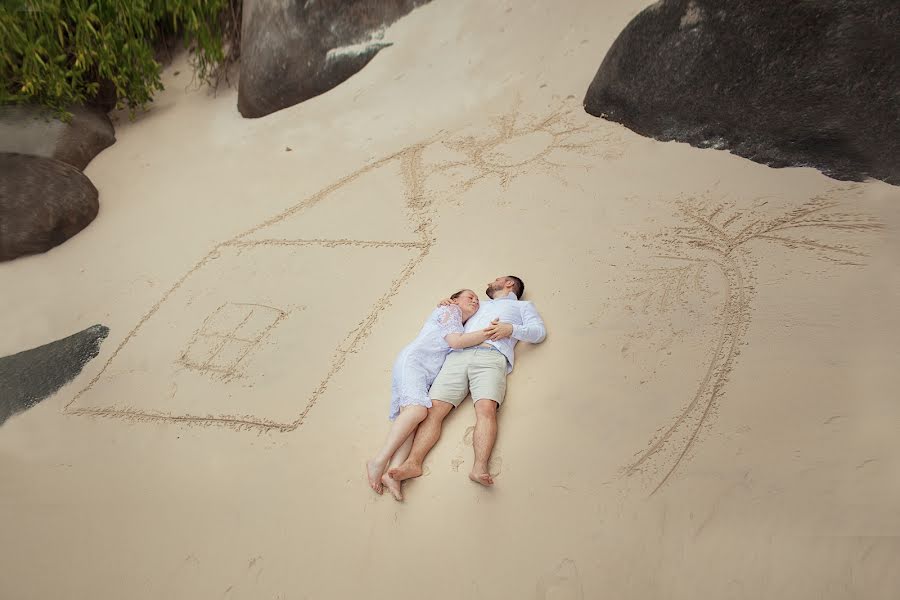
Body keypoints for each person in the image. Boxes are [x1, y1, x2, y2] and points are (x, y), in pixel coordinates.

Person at [389, 275, 546, 487]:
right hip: (456, 356)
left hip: (491, 355)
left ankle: (479, 468)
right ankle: (413, 463)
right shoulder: (477, 305)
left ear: (509, 283)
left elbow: (539, 332)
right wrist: (448, 303)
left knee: (486, 408)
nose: (490, 281)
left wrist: (511, 329)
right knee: (434, 409)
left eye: (497, 279)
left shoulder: (524, 306)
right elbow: (451, 320)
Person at [366, 289, 499, 501]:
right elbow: (456, 342)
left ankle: (393, 474)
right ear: (454, 300)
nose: (475, 301)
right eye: (469, 297)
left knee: (412, 422)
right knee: (418, 411)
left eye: (476, 299)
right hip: (415, 362)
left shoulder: (460, 322)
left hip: (426, 372)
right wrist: (488, 332)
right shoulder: (451, 311)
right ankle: (378, 460)